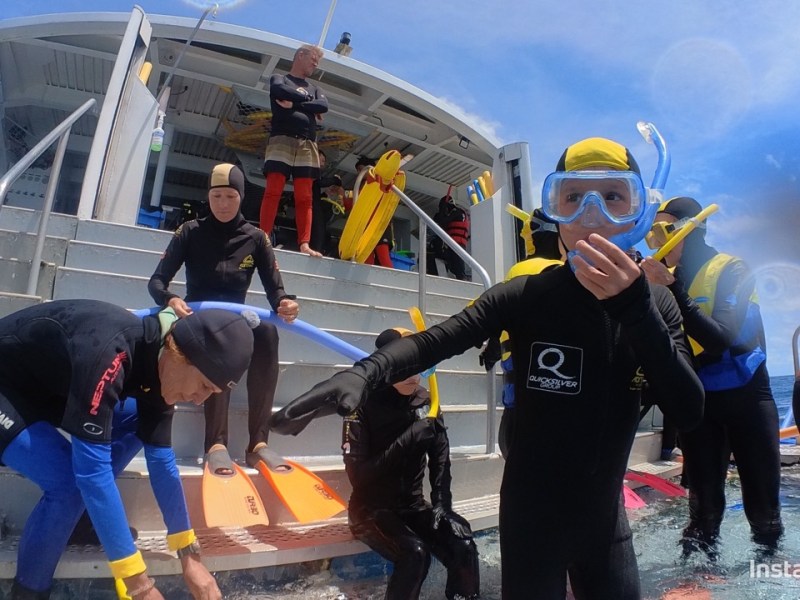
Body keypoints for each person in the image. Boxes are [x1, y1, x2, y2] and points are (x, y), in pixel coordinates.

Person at [270, 136, 705, 599]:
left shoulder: (656, 303)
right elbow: (436, 340)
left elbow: (689, 409)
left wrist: (635, 308)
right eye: (573, 198)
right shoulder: (525, 297)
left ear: (636, 213)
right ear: (554, 208)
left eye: (612, 197)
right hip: (531, 525)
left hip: (605, 529)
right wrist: (364, 372)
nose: (591, 214)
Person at [0, 299, 255, 600]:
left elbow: (162, 463)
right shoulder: (109, 352)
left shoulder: (162, 366)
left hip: (48, 391)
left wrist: (190, 557)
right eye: (202, 385)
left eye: (210, 393)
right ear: (178, 352)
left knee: (138, 420)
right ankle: (28, 593)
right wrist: (139, 584)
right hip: (7, 390)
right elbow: (91, 474)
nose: (198, 400)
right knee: (70, 484)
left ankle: (79, 518)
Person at [640, 196, 783, 556]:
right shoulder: (662, 280)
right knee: (703, 514)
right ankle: (698, 578)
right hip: (701, 406)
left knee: (763, 515)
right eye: (650, 236)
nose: (654, 244)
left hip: (748, 399)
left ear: (689, 230)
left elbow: (722, 340)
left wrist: (670, 287)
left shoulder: (732, 270)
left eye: (660, 232)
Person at [148, 163, 300, 476]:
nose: (223, 204)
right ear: (209, 196)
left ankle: (258, 444)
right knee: (220, 338)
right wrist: (171, 299)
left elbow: (277, 292)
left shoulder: (256, 237)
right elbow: (157, 281)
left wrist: (286, 304)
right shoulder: (190, 231)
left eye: (230, 196)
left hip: (236, 317)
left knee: (268, 333)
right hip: (198, 319)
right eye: (217, 196)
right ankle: (215, 443)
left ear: (241, 197)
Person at [342, 327, 480, 600]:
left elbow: (441, 459)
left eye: (419, 366)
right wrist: (408, 439)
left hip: (413, 507)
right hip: (370, 510)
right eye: (404, 367)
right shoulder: (361, 403)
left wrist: (443, 505)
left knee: (463, 546)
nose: (414, 376)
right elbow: (359, 476)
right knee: (415, 554)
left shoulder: (425, 400)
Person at [258, 44, 328, 257]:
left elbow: (323, 106)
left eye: (318, 61)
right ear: (301, 55)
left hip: (308, 143)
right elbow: (280, 90)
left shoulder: (315, 88)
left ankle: (304, 243)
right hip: (282, 139)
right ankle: (264, 236)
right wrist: (309, 103)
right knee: (273, 190)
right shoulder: (280, 78)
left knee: (305, 197)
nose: (316, 63)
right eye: (313, 58)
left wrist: (296, 103)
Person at [310, 148, 344, 257]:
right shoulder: (312, 171)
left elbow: (316, 187)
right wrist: (335, 180)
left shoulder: (311, 173)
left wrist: (326, 195)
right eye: (322, 160)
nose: (323, 164)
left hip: (312, 203)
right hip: (312, 205)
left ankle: (318, 250)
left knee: (319, 229)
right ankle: (317, 250)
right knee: (319, 229)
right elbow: (320, 182)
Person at [430, 195, 471, 280]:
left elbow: (442, 222)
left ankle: (461, 278)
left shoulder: (457, 212)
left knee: (458, 265)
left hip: (457, 244)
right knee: (451, 263)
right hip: (453, 244)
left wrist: (442, 210)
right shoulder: (453, 213)